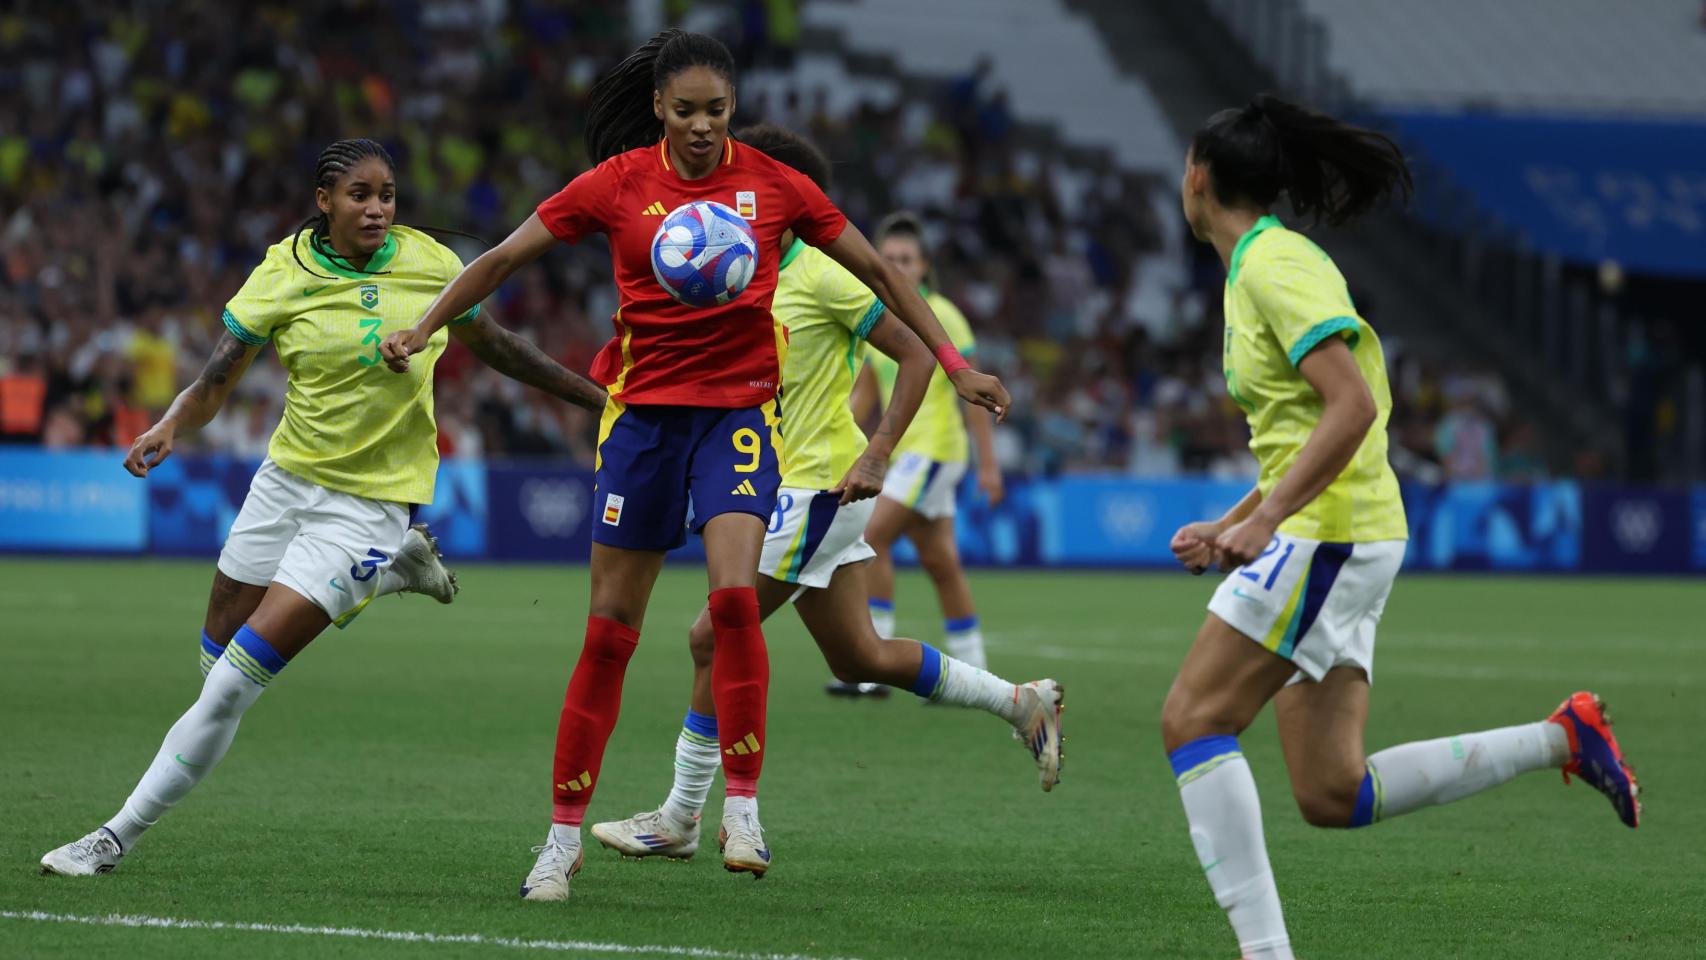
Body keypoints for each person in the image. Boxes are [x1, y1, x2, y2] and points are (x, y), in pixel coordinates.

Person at [378, 31, 1010, 902]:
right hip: (640, 424)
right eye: (687, 111)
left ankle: (739, 810)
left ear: (733, 109)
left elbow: (878, 273)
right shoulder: (619, 183)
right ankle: (559, 844)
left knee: (733, 602)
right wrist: (425, 327)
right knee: (609, 634)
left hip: (737, 423)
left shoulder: (775, 186)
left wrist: (953, 361)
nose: (704, 126)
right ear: (659, 110)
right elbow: (502, 257)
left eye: (717, 110)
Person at [39, 138, 608, 877]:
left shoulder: (431, 264)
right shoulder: (283, 272)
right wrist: (172, 423)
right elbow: (216, 377)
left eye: (388, 195)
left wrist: (601, 401)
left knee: (234, 686)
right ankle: (394, 572)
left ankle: (111, 838)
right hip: (284, 485)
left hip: (366, 507)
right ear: (325, 201)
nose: (377, 209)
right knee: (211, 663)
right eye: (360, 195)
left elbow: (498, 345)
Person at [1159, 94, 1640, 960]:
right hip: (1339, 533)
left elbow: (1355, 406)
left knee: (1191, 721)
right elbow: (1303, 429)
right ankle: (1563, 736)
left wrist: (1265, 520)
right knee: (1332, 792)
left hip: (1328, 533)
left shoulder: (1275, 266)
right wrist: (1230, 520)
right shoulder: (1256, 269)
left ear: (1198, 176)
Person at [588, 126, 1061, 862]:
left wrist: (878, 453)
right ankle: (1019, 702)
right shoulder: (731, 267)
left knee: (712, 634)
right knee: (859, 657)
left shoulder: (823, 274)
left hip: (815, 486)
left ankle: (681, 817)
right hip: (775, 486)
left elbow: (912, 356)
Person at [851, 213, 1002, 688]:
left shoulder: (944, 315)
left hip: (935, 450)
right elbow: (865, 400)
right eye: (889, 258)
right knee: (941, 562)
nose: (897, 265)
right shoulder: (874, 313)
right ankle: (974, 665)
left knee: (871, 538)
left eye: (906, 259)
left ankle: (872, 668)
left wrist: (989, 464)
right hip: (906, 455)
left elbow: (974, 394)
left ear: (923, 267)